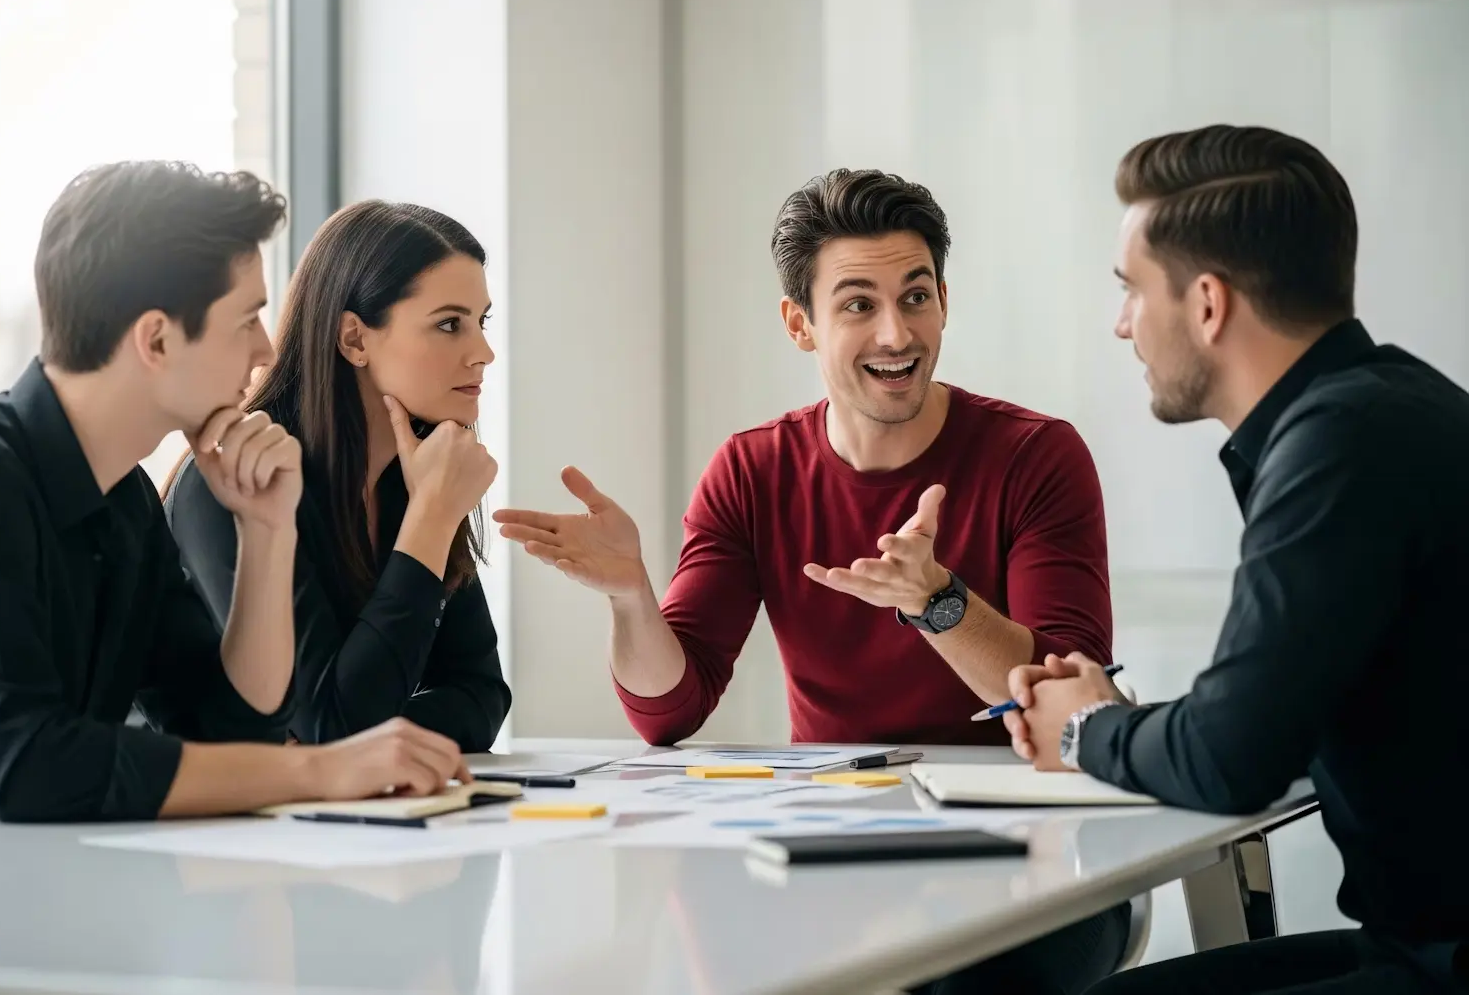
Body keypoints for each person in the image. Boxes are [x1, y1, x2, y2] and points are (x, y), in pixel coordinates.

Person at [496, 168, 1130, 994]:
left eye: (917, 296)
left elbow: (1074, 709)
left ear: (945, 298)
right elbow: (669, 710)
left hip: (1030, 854)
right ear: (801, 324)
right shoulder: (754, 469)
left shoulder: (1037, 457)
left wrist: (938, 604)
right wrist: (629, 597)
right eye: (859, 304)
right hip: (839, 849)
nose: (897, 334)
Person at [1003, 125, 1469, 994]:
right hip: (1411, 941)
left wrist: (1080, 730)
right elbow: (1266, 710)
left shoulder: (1341, 446)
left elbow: (1234, 759)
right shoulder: (1381, 410)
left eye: (1131, 290)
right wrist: (1113, 717)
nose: (1120, 324)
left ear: (1207, 304)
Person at [0, 162, 473, 823]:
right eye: (246, 319)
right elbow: (24, 765)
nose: (267, 350)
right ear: (156, 338)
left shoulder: (127, 502)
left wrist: (268, 532)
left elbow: (230, 732)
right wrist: (319, 770)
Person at [165, 200, 510, 751]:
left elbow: (482, 695)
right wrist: (430, 519)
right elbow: (337, 724)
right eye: (449, 324)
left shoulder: (414, 476)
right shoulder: (242, 477)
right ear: (354, 339)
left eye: (481, 322)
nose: (484, 353)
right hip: (200, 825)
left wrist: (372, 728)